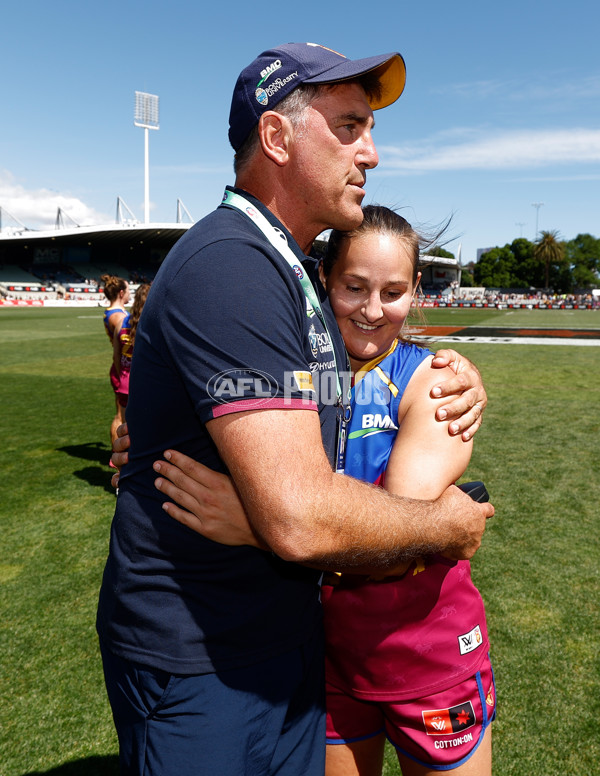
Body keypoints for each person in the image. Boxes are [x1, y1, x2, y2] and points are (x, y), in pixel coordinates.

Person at [97, 43, 493, 776]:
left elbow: (301, 458)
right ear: (277, 138)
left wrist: (457, 375)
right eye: (349, 127)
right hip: (203, 657)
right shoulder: (234, 266)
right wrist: (443, 526)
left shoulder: (285, 268)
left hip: (271, 645)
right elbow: (301, 518)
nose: (370, 153)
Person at [147, 206, 495, 775]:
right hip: (326, 652)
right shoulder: (294, 379)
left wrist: (257, 525)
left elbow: (398, 539)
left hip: (428, 652)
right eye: (354, 287)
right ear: (324, 280)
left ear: (415, 292)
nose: (374, 309)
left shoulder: (436, 383)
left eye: (394, 290)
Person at [101, 273, 130, 446]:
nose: (129, 294)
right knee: (120, 415)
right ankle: (116, 454)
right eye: (127, 291)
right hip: (122, 367)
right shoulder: (118, 316)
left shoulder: (111, 313)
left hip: (120, 365)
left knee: (121, 413)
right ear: (121, 293)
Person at [112, 283, 151, 412]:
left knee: (124, 430)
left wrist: (122, 375)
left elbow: (116, 356)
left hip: (125, 384)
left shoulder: (121, 323)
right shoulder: (153, 324)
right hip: (147, 384)